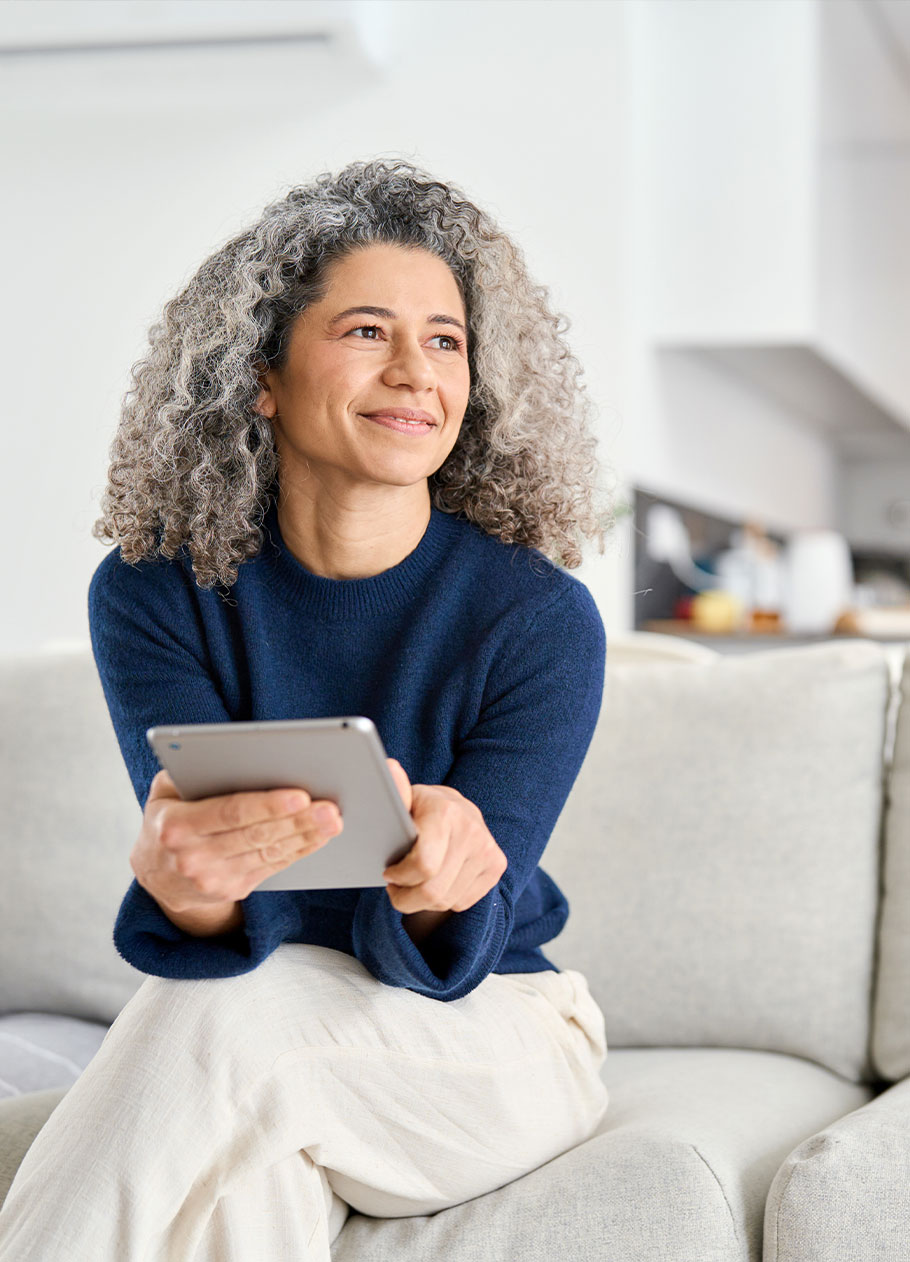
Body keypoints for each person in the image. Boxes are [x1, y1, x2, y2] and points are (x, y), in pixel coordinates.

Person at [0, 157, 616, 1260]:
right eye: (367, 331)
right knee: (235, 1178)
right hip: (268, 1018)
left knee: (214, 1028)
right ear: (261, 377)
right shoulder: (153, 594)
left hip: (490, 1032)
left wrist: (446, 874)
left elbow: (452, 946)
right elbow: (224, 897)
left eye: (444, 340)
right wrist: (188, 890)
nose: (414, 372)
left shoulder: (537, 617)